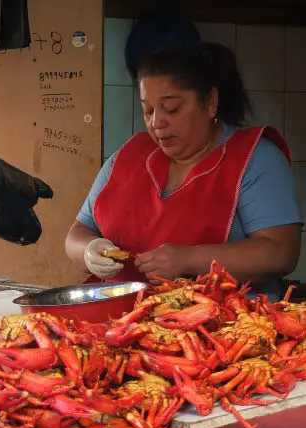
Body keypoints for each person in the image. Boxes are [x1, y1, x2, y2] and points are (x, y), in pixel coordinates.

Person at [65, 42, 303, 300]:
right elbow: (77, 232)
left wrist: (189, 259)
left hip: (227, 327)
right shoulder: (127, 156)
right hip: (120, 321)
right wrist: (89, 250)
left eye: (172, 108)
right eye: (148, 110)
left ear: (210, 102)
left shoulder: (256, 158)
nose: (156, 123)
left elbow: (281, 253)